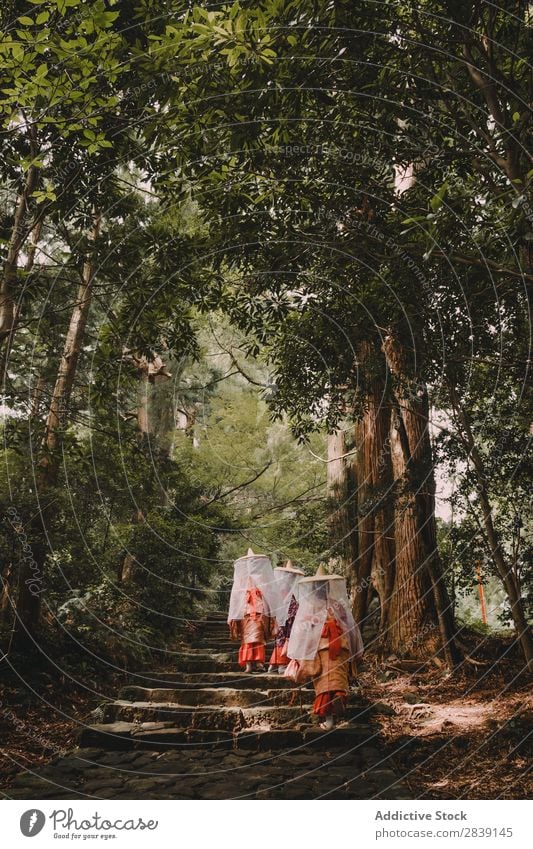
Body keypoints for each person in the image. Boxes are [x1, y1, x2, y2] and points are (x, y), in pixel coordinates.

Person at [286, 564, 364, 729]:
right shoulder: (337, 604)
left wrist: (298, 653)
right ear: (328, 587)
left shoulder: (311, 606)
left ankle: (329, 720)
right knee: (338, 681)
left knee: (325, 684)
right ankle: (339, 699)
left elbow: (303, 631)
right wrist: (355, 649)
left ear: (314, 588)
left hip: (321, 648)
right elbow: (350, 626)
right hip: (342, 646)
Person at [227, 548, 278, 673]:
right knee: (247, 639)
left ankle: (259, 662)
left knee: (259, 638)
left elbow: (269, 594)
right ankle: (249, 663)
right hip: (246, 612)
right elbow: (236, 597)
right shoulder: (241, 580)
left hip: (260, 611)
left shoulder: (262, 579)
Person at [268, 560, 304, 673]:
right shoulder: (282, 587)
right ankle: (280, 663)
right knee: (282, 638)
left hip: (288, 613)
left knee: (284, 638)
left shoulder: (286, 587)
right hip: (284, 612)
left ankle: (277, 664)